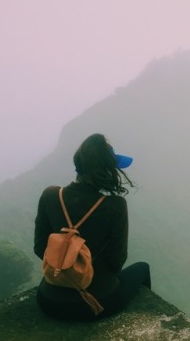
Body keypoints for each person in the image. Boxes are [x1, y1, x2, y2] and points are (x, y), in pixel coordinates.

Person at [34, 133, 151, 321]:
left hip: (49, 300)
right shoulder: (115, 205)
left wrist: (67, 268)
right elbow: (116, 261)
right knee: (142, 268)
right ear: (106, 170)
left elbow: (40, 248)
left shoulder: (50, 195)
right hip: (94, 304)